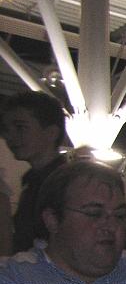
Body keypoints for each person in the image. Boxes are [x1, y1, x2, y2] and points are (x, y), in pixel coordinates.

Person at [1, 91, 68, 253]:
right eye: (6, 129)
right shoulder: (32, 180)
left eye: (20, 128)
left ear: (51, 133)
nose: (10, 137)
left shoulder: (65, 183)